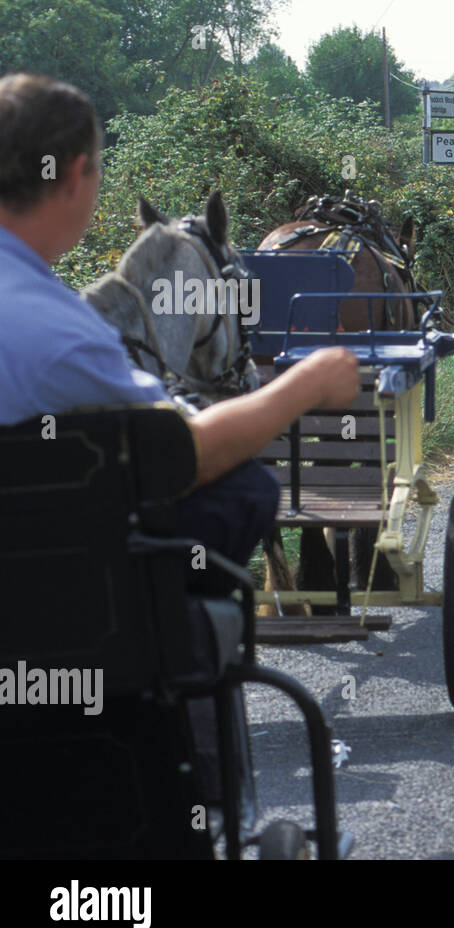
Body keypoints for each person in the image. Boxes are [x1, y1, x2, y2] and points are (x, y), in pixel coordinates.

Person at [0, 74, 361, 592]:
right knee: (249, 487)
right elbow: (188, 452)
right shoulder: (69, 338)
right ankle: (178, 636)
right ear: (77, 175)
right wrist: (310, 383)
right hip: (51, 593)